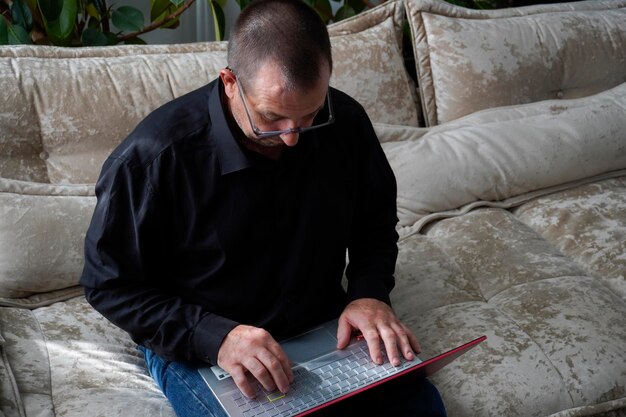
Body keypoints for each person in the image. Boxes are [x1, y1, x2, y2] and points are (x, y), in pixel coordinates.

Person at [80, 0, 447, 415]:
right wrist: (216, 337)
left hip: (323, 322)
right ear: (230, 82)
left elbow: (374, 223)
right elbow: (108, 285)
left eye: (309, 116)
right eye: (271, 118)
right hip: (203, 346)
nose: (292, 137)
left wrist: (368, 294)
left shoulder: (345, 121)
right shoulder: (152, 159)